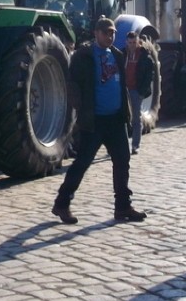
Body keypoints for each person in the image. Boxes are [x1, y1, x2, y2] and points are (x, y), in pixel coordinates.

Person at [52, 17, 146, 224]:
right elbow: (72, 85)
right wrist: (80, 108)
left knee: (122, 161)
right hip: (94, 121)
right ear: (96, 33)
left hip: (115, 119)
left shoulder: (117, 55)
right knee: (82, 163)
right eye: (106, 33)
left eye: (112, 33)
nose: (110, 36)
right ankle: (62, 203)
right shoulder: (83, 56)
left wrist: (126, 113)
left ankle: (122, 206)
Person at [124, 31, 154, 155]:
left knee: (136, 118)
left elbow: (148, 77)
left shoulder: (144, 57)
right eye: (130, 42)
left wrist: (142, 92)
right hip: (124, 90)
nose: (132, 45)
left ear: (138, 42)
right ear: (127, 42)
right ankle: (123, 145)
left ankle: (135, 145)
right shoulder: (122, 54)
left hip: (136, 90)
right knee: (123, 118)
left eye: (134, 42)